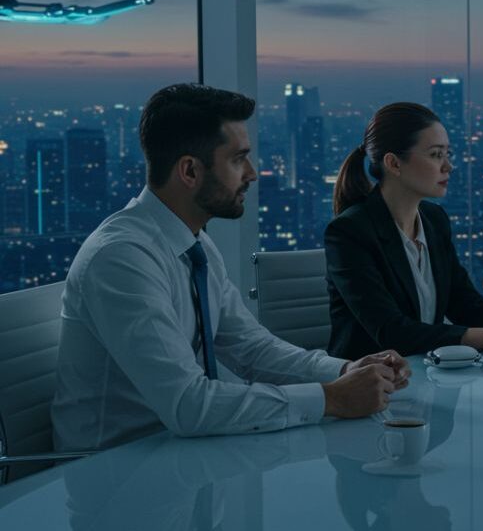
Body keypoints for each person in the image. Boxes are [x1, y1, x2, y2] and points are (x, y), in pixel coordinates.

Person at [52, 83, 409, 452]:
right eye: (238, 159)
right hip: (115, 476)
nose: (252, 173)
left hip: (182, 455)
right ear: (189, 171)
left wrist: (342, 371)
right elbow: (188, 405)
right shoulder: (122, 258)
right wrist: (330, 399)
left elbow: (251, 349)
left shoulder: (194, 244)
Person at [325, 102, 483, 359]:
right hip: (370, 384)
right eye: (435, 155)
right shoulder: (349, 232)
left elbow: (464, 302)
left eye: (448, 154)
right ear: (394, 164)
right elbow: (392, 332)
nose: (448, 166)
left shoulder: (434, 220)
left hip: (430, 375)